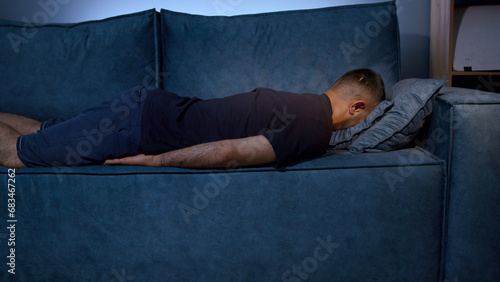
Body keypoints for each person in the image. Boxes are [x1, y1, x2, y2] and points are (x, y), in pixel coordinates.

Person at [0, 68, 385, 169]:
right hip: (139, 125)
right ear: (356, 107)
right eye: (364, 119)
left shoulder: (300, 104)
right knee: (16, 155)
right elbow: (231, 154)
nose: (359, 127)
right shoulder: (314, 127)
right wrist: (155, 161)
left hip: (143, 106)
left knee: (41, 131)